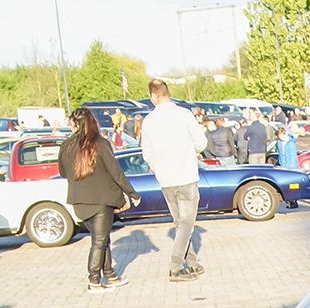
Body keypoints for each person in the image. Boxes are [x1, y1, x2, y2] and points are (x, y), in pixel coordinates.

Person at [58, 108, 140, 293]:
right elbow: (115, 172)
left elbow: (63, 172)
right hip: (102, 199)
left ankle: (109, 274)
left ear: (74, 124)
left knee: (101, 239)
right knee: (99, 240)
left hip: (79, 200)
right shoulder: (101, 144)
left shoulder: (66, 146)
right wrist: (132, 193)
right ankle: (94, 280)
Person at [139, 77, 208, 281]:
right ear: (167, 92)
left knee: (180, 222)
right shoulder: (183, 114)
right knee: (187, 222)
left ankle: (192, 262)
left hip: (165, 178)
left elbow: (147, 154)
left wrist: (158, 166)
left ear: (153, 95)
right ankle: (176, 264)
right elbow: (201, 143)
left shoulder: (149, 120)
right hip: (185, 174)